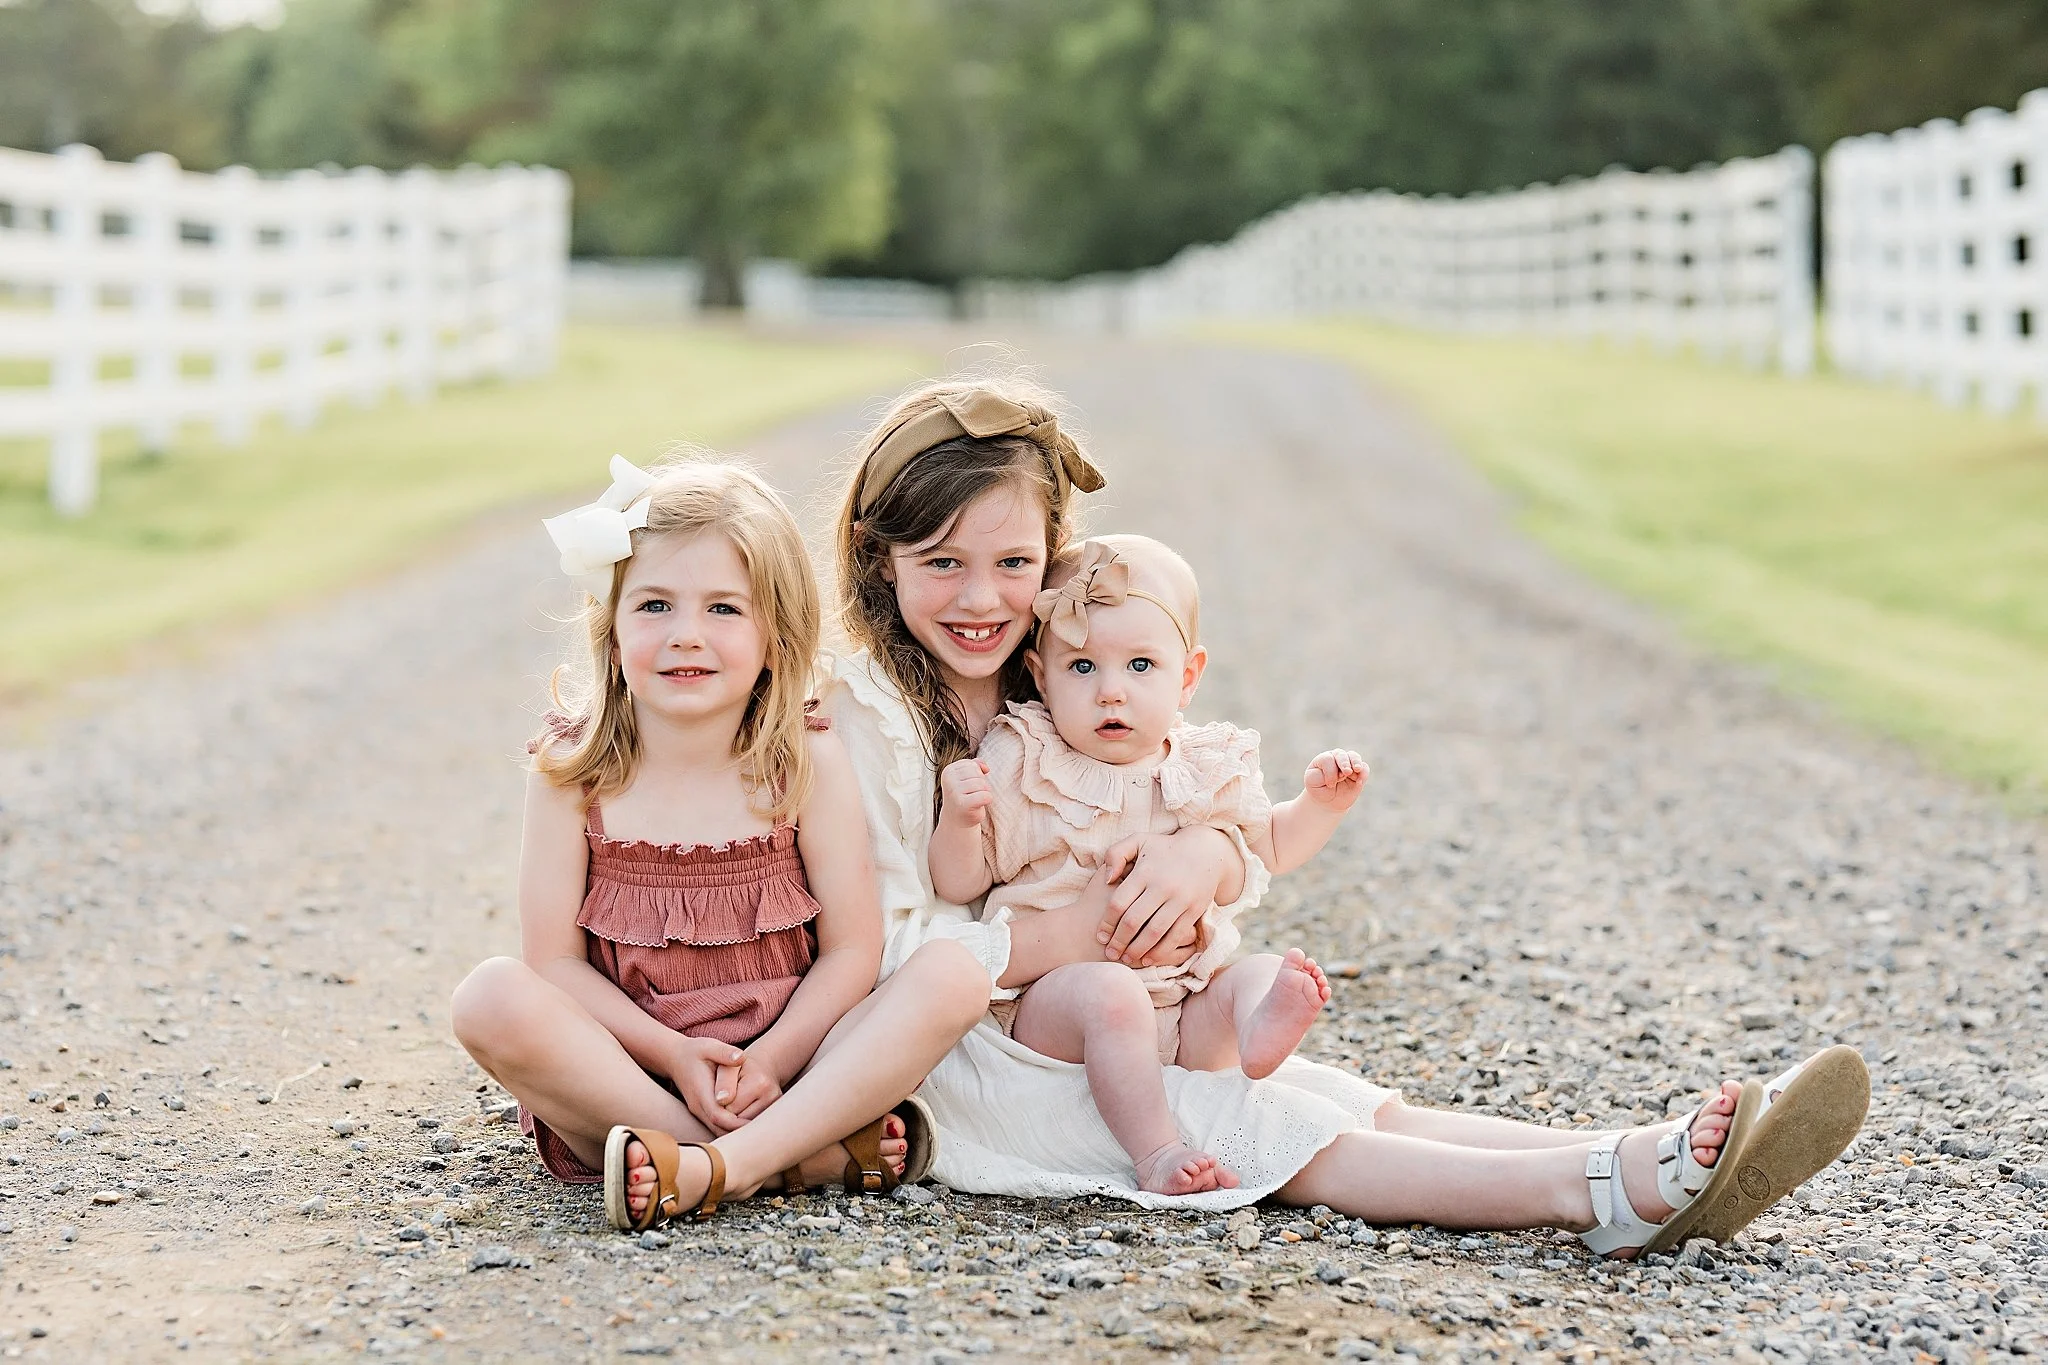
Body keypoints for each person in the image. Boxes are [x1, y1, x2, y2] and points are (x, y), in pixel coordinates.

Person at [823, 375, 1869, 1256]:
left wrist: (1208, 855)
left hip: (1126, 1015)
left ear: (1052, 561)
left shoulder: (1058, 669)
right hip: (981, 1058)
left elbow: (1203, 813)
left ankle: (1635, 1144)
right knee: (1264, 1125)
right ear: (880, 558)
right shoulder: (862, 717)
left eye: (1012, 565)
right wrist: (1083, 927)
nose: (981, 598)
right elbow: (895, 948)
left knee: (1342, 1096)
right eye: (943, 562)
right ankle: (1604, 1190)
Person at [450, 455, 992, 1232]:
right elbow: (555, 965)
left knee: (953, 974)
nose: (686, 636)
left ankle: (714, 1167)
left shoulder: (803, 759)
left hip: (790, 1069)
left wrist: (769, 1061)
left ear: (775, 635)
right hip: (629, 1083)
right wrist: (673, 1055)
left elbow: (851, 950)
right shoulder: (573, 770)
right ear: (612, 628)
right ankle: (791, 1159)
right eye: (655, 605)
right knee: (489, 996)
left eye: (724, 609)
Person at [928, 534, 1365, 1196]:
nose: (1111, 693)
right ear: (1041, 676)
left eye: (1140, 665)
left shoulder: (1203, 766)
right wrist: (960, 821)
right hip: (1059, 1009)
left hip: (1184, 1011)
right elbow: (961, 882)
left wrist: (1320, 805)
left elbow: (1270, 846)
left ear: (1186, 677)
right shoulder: (1026, 760)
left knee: (1257, 972)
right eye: (1082, 667)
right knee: (1112, 993)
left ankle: (1257, 1033)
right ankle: (1157, 1150)